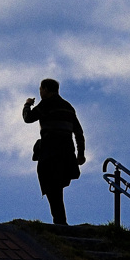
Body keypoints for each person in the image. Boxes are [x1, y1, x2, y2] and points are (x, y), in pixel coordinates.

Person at [23, 78, 85, 225]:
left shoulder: (46, 104)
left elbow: (28, 118)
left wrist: (27, 105)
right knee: (56, 188)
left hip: (50, 153)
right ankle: (60, 221)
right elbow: (78, 132)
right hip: (67, 154)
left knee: (52, 188)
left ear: (45, 89)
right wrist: (80, 153)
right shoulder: (68, 107)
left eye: (41, 88)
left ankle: (60, 223)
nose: (40, 91)